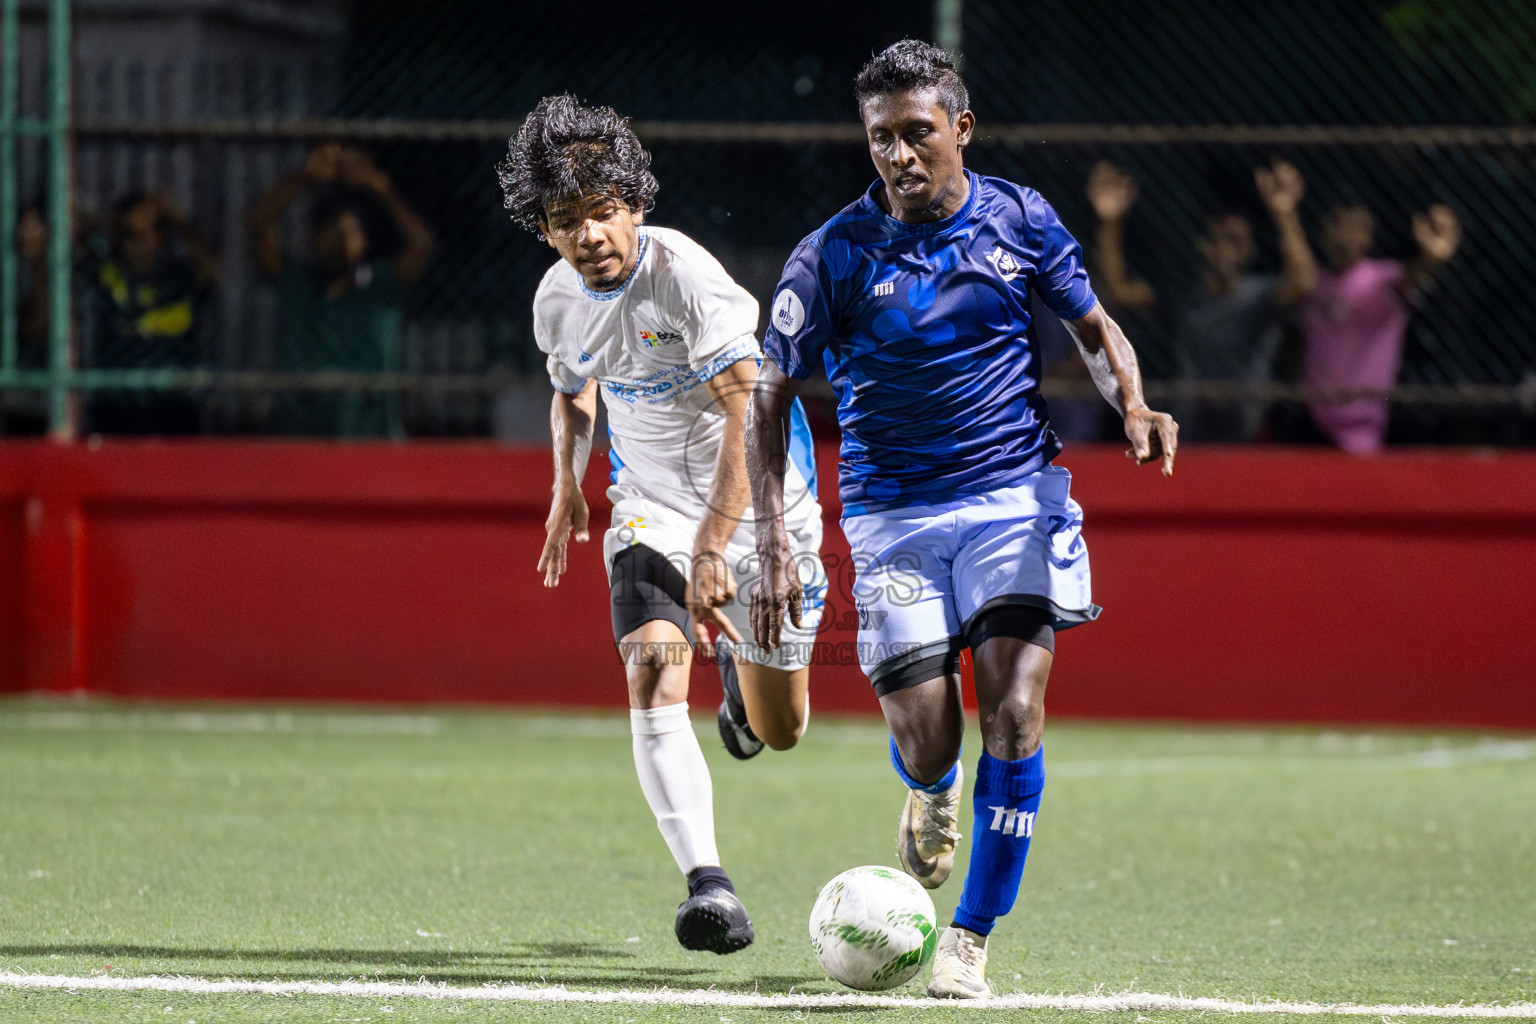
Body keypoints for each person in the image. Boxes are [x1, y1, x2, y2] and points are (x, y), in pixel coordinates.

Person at [746, 41, 1176, 999]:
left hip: (1013, 497)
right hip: (892, 515)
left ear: (961, 130)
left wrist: (1132, 405)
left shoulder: (1019, 218)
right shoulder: (832, 255)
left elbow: (1093, 329)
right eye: (880, 138)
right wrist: (776, 535)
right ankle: (930, 787)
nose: (898, 155)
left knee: (1015, 713)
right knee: (936, 738)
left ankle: (970, 937)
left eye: (917, 133)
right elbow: (768, 397)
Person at [497, 95, 827, 955]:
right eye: (567, 221)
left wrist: (719, 546)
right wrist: (569, 487)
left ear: (635, 205)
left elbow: (749, 405)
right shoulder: (556, 300)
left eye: (604, 212)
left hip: (762, 503)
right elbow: (573, 392)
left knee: (784, 728)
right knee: (649, 666)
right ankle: (708, 886)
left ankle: (745, 709)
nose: (591, 235)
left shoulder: (684, 276)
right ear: (544, 229)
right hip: (649, 499)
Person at [1087, 159, 1316, 442]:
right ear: (1204, 246)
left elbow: (1304, 282)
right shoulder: (1186, 292)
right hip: (1192, 422)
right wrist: (1110, 221)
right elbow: (1119, 291)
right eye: (1218, 240)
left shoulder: (1258, 295)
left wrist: (1285, 214)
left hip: (1245, 422)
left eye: (1235, 241)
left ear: (1250, 250)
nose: (1225, 250)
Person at [247, 144, 436, 438]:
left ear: (364, 241)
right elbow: (259, 224)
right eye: (330, 234)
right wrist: (304, 177)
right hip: (302, 435)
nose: (339, 243)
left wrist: (380, 188)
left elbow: (422, 245)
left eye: (349, 233)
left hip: (369, 436)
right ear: (312, 240)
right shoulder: (298, 284)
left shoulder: (379, 287)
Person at [1300, 197, 1460, 454]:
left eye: (1354, 229)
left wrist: (1429, 259)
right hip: (1306, 425)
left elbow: (1409, 281)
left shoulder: (1381, 278)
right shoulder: (1312, 282)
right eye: (1338, 226)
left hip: (1360, 431)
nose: (1344, 236)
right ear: (1324, 231)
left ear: (1368, 237)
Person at [79, 191, 220, 434]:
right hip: (115, 408)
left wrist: (175, 218)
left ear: (163, 238)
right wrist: (120, 220)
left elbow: (212, 270)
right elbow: (74, 229)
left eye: (150, 234)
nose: (142, 245)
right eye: (132, 237)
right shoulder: (107, 273)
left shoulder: (182, 277)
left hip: (175, 408)